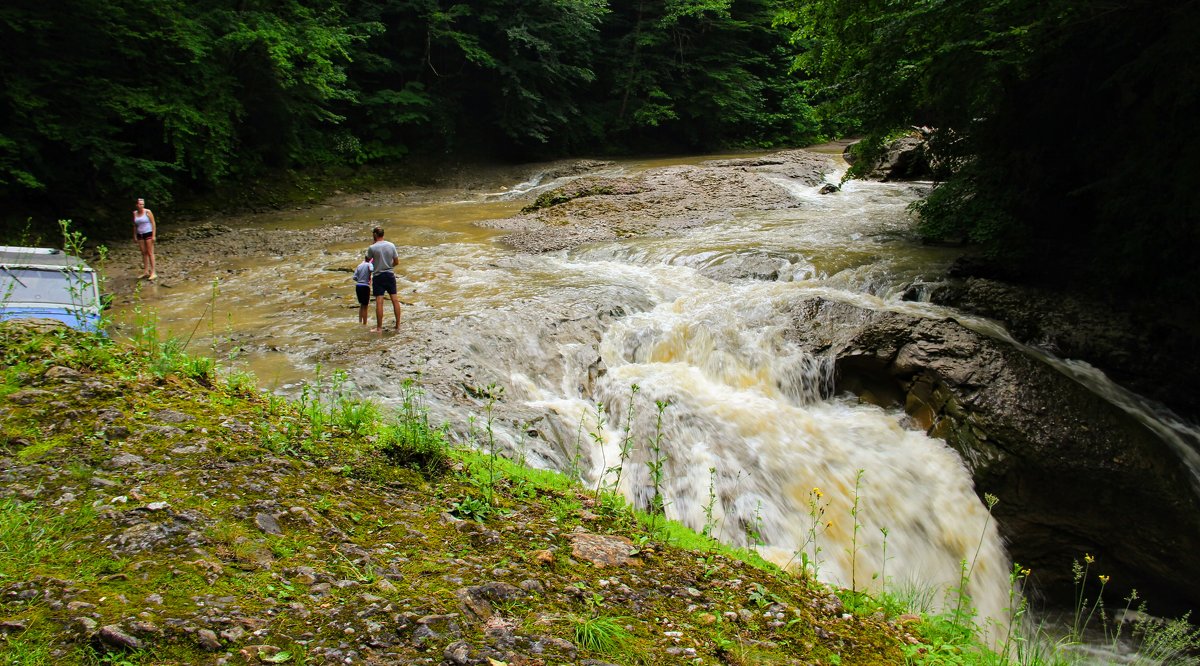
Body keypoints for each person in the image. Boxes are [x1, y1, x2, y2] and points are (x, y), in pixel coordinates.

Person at [366, 226, 402, 332]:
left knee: (379, 302)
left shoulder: (372, 248)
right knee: (395, 300)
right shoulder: (391, 245)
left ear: (375, 235)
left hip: (378, 276)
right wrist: (388, 266)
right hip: (390, 274)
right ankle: (398, 325)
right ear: (383, 234)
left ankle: (379, 328)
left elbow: (367, 261)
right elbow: (396, 262)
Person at [132, 197, 157, 280]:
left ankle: (153, 272)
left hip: (148, 233)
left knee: (150, 252)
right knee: (143, 253)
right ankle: (146, 271)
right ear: (137, 205)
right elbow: (135, 225)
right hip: (140, 234)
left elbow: (153, 223)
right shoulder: (135, 213)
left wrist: (153, 235)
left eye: (143, 204)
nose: (141, 205)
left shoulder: (148, 212)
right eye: (140, 204)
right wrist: (134, 235)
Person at [352, 254, 373, 325]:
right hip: (365, 286)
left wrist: (360, 280)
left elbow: (354, 277)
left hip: (358, 285)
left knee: (361, 305)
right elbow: (372, 269)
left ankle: (360, 321)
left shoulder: (359, 265)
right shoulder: (369, 265)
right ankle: (365, 323)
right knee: (365, 306)